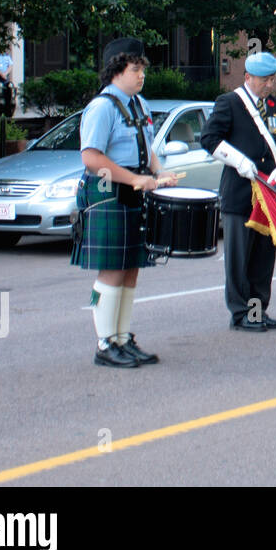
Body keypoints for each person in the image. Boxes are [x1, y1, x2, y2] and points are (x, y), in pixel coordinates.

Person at [71, 37, 179, 368]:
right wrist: (133, 179)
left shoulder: (139, 104)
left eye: (143, 69)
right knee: (112, 269)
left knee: (131, 268)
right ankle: (105, 344)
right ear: (117, 70)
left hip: (133, 188)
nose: (141, 75)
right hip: (108, 191)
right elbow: (90, 157)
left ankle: (121, 337)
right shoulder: (102, 107)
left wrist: (160, 173)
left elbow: (148, 148)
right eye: (136, 69)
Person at [201, 51, 276, 332]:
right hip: (241, 194)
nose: (270, 85)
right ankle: (240, 312)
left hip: (270, 195)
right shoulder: (230, 103)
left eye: (272, 79)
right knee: (239, 257)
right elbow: (209, 139)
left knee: (262, 258)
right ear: (247, 78)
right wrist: (239, 161)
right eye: (264, 80)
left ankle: (257, 311)